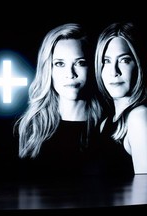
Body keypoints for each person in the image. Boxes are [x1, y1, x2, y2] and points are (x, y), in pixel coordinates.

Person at [14, 23, 103, 180]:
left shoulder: (108, 126)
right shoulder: (30, 129)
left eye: (80, 62)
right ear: (48, 69)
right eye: (60, 64)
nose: (70, 74)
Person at [94, 22, 147, 175]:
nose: (114, 71)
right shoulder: (105, 122)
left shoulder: (139, 117)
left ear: (138, 64)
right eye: (106, 61)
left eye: (124, 60)